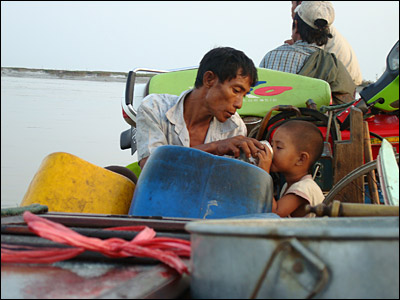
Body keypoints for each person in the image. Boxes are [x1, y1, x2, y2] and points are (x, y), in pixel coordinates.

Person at [136, 47, 266, 169]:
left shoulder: (235, 127)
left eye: (244, 95)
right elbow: (150, 167)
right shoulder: (154, 107)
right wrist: (215, 147)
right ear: (209, 79)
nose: (239, 104)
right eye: (236, 90)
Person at [259, 1, 356, 105]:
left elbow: (257, 96)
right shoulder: (334, 65)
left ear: (296, 26)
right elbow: (346, 105)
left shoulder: (271, 57)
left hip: (273, 119)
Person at [256, 120, 325, 217]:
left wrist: (262, 172)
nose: (272, 151)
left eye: (278, 147)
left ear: (301, 159)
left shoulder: (304, 188)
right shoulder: (288, 185)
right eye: (272, 145)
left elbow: (275, 213)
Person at [285, 1, 362, 86]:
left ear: (300, 4)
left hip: (340, 86)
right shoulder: (322, 28)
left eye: (292, 4)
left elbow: (311, 65)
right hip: (342, 84)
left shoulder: (316, 32)